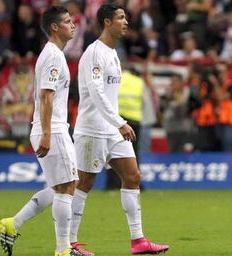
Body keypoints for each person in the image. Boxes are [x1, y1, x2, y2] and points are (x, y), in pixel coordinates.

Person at [71, 4, 169, 255]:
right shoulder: (94, 53)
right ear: (106, 22)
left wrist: (116, 123)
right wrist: (120, 122)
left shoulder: (114, 52)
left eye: (126, 17)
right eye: (121, 18)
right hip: (94, 128)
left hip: (112, 128)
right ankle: (69, 243)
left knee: (133, 176)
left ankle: (138, 240)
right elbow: (95, 92)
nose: (126, 22)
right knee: (84, 183)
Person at [0, 6, 80, 256]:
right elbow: (46, 96)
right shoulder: (53, 56)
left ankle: (13, 224)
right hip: (52, 129)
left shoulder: (53, 54)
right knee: (68, 185)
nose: (73, 24)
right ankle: (63, 249)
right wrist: (46, 132)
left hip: (51, 128)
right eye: (67, 21)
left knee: (61, 187)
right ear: (55, 27)